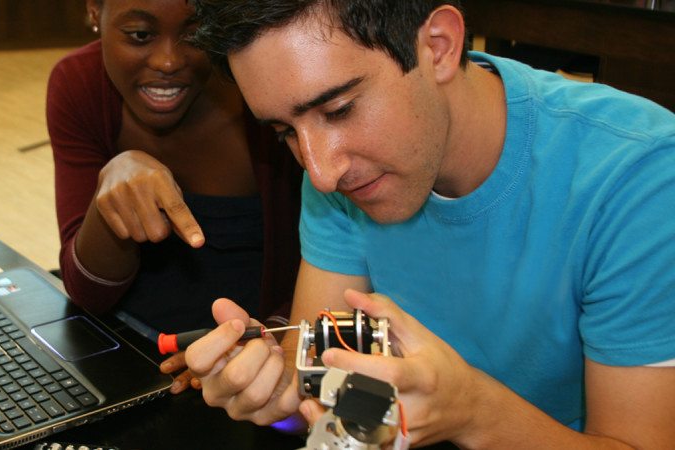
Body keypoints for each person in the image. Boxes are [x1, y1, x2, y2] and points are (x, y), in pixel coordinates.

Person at [183, 0, 675, 448]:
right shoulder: (346, 171)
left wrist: (472, 412)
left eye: (339, 109)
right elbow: (326, 401)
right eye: (287, 131)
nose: (321, 173)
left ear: (437, 47)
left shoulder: (639, 178)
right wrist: (276, 397)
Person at [46, 0, 302, 394]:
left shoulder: (264, 91)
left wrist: (256, 343)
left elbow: (334, 263)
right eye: (140, 36)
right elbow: (87, 292)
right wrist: (108, 195)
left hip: (258, 365)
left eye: (196, 35)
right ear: (95, 13)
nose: (168, 61)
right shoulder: (79, 84)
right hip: (124, 345)